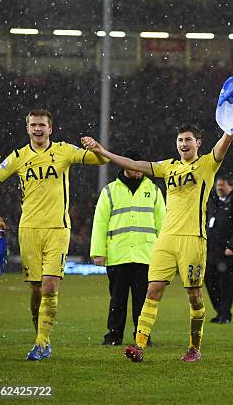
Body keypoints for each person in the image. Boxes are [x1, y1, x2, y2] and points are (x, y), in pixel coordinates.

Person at [81, 123, 233, 363]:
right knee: (152, 291)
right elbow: (134, 165)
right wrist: (104, 152)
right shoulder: (168, 167)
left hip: (192, 239)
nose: (184, 144)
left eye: (188, 140)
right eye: (180, 140)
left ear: (198, 143)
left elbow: (223, 145)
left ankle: (195, 347)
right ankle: (139, 345)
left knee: (194, 295)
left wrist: (231, 128)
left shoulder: (206, 164)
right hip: (166, 240)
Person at [0, 109, 108, 360]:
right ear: (28, 128)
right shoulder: (18, 157)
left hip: (57, 230)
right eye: (33, 125)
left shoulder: (64, 150)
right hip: (29, 230)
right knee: (35, 291)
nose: (37, 129)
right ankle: (42, 337)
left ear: (50, 129)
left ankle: (42, 343)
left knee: (50, 286)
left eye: (42, 124)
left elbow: (101, 161)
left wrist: (97, 147)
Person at [90, 148, 165, 346]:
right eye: (134, 164)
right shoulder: (109, 191)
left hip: (146, 255)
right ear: (124, 164)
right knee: (117, 300)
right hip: (118, 255)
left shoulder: (154, 190)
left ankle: (142, 336)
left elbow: (163, 224)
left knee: (143, 300)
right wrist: (98, 252)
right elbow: (100, 222)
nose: (138, 169)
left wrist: (164, 255)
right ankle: (114, 335)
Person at [205, 174, 233, 324]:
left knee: (226, 285)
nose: (219, 188)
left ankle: (225, 314)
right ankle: (219, 311)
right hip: (212, 251)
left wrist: (232, 246)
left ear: (231, 186)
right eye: (218, 186)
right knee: (210, 282)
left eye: (222, 186)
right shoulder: (214, 201)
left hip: (227, 253)